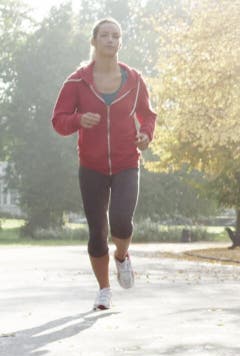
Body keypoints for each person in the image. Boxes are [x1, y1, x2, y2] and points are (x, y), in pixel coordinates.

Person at [51, 17, 157, 311]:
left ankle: (122, 257)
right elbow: (58, 120)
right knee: (97, 230)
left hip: (126, 161)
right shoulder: (76, 81)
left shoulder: (134, 79)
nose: (111, 40)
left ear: (119, 42)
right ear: (94, 41)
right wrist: (78, 120)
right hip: (92, 165)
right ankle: (104, 290)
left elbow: (148, 116)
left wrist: (145, 135)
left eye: (116, 36)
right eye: (105, 35)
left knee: (122, 221)